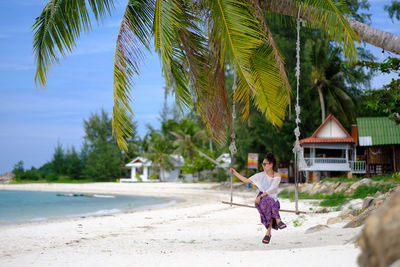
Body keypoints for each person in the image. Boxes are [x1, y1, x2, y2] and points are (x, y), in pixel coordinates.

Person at [230, 152, 287, 244]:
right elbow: (246, 180)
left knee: (271, 203)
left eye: (265, 164)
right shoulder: (260, 175)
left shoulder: (277, 176)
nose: (263, 166)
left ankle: (268, 233)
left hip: (271, 198)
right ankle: (278, 220)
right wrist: (235, 172)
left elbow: (271, 189)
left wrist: (261, 196)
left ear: (271, 165)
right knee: (269, 203)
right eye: (262, 164)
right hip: (261, 199)